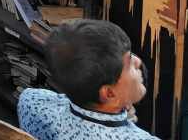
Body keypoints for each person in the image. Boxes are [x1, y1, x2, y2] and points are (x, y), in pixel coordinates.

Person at [18, 19, 156, 139]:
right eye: (129, 62)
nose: (138, 62)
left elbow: (32, 97)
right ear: (109, 93)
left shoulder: (31, 102)